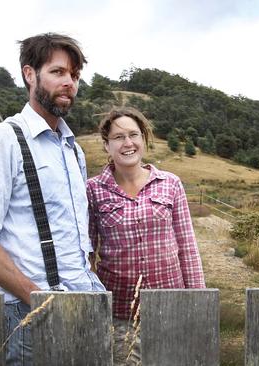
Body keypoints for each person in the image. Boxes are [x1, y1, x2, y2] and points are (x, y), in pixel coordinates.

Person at [0, 33, 104, 366]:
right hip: (28, 312)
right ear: (29, 74)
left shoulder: (73, 150)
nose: (69, 82)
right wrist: (37, 298)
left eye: (75, 76)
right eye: (58, 72)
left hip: (84, 301)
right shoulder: (1, 139)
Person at [86, 107, 206, 364]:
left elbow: (187, 247)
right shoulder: (92, 190)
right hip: (120, 316)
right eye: (118, 137)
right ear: (107, 145)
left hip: (172, 308)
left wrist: (198, 302)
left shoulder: (170, 183)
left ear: (144, 139)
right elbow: (86, 253)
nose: (127, 143)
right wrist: (96, 303)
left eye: (134, 135)